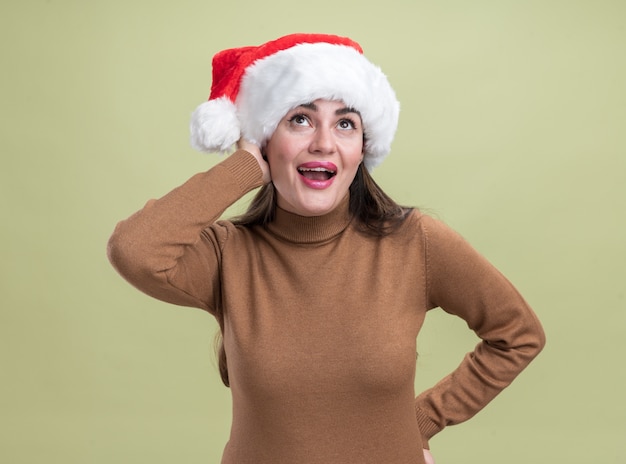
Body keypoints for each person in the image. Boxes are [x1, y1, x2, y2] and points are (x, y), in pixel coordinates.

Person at [107, 33, 545, 464]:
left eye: (345, 123)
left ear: (361, 150)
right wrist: (243, 167)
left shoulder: (416, 241)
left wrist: (420, 422)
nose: (323, 141)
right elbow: (134, 249)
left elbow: (517, 335)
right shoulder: (228, 253)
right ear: (264, 140)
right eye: (299, 119)